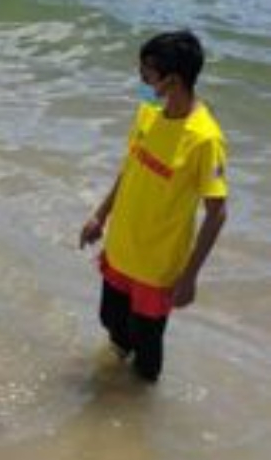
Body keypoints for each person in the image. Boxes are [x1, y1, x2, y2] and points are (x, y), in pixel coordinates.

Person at [79, 30, 228, 383]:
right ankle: (111, 391)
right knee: (111, 323)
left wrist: (190, 277)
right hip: (121, 249)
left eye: (147, 73)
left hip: (157, 266)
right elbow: (129, 170)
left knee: (147, 354)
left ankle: (139, 417)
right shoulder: (148, 114)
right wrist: (100, 215)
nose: (141, 80)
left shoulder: (204, 138)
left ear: (172, 80)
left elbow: (217, 212)